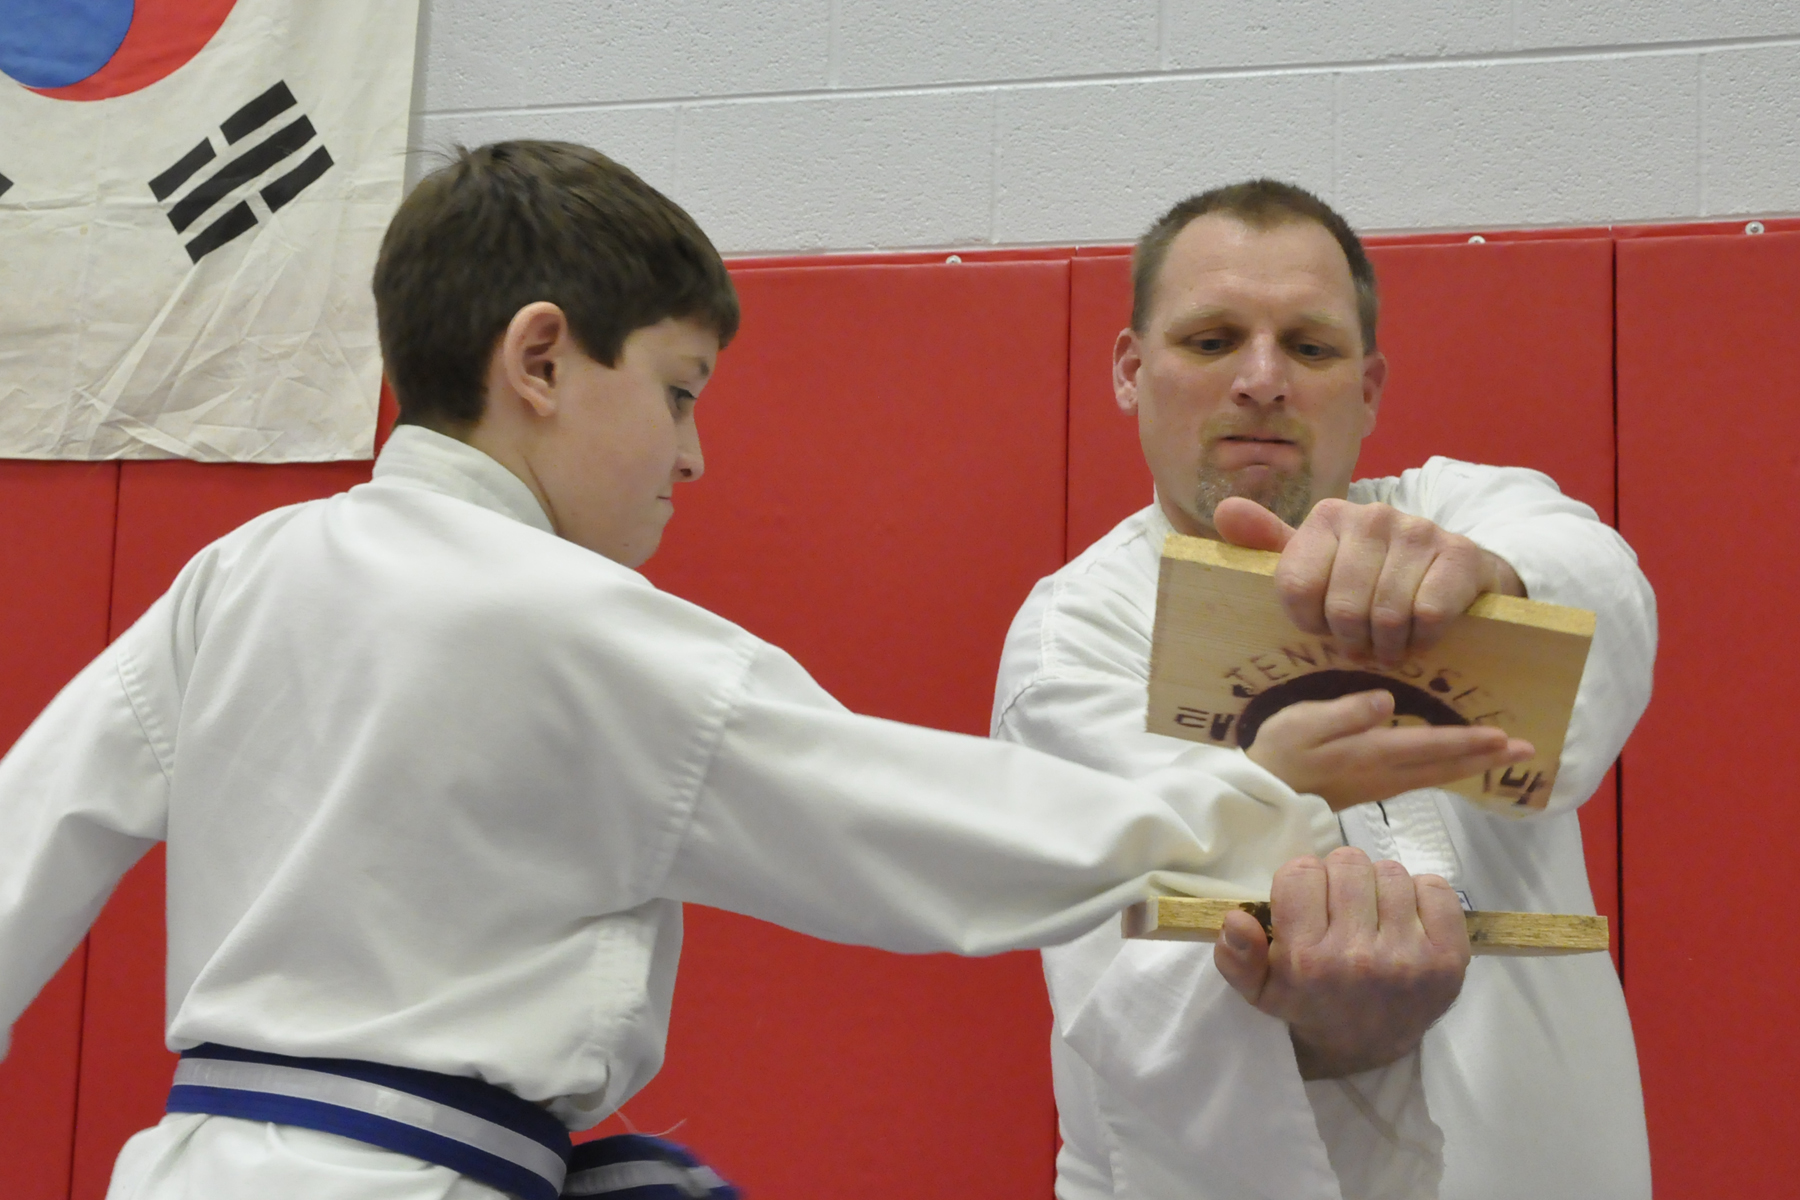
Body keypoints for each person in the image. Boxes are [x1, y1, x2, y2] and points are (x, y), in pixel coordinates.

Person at [0, 145, 1524, 1200]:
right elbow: (930, 836)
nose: (692, 452)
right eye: (675, 392)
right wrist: (1254, 795)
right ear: (539, 362)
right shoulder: (588, 626)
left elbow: (30, 841)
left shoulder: (238, 571)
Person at [990, 180, 1655, 1200]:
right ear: (1131, 370)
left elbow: (1599, 578)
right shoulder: (1079, 632)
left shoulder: (1457, 513)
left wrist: (1485, 577)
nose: (1263, 380)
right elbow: (1130, 994)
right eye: (1212, 341)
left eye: (1309, 347)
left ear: (1370, 385)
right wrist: (1329, 1030)